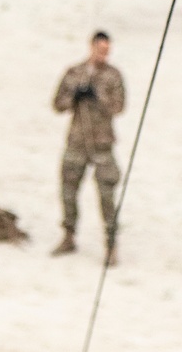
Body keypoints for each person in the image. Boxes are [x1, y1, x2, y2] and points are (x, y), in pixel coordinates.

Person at [51, 31, 126, 263]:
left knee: (107, 195)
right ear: (91, 47)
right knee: (68, 191)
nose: (103, 54)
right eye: (100, 49)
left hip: (102, 143)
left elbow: (118, 106)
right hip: (77, 141)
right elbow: (58, 104)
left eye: (107, 51)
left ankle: (111, 244)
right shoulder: (74, 73)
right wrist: (74, 96)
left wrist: (98, 97)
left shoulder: (113, 76)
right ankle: (69, 234)